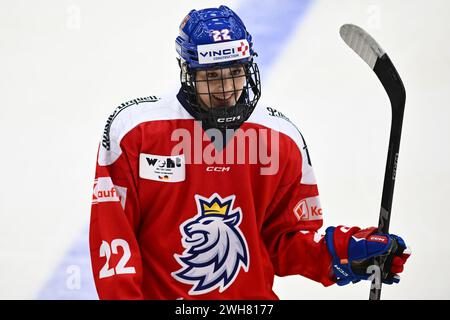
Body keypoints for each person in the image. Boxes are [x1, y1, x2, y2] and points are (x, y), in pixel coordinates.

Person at [89, 5, 410, 299]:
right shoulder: (135, 132)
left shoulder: (280, 140)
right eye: (211, 76)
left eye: (234, 73)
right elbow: (114, 241)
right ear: (188, 72)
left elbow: (287, 241)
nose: (225, 89)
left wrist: (348, 251)